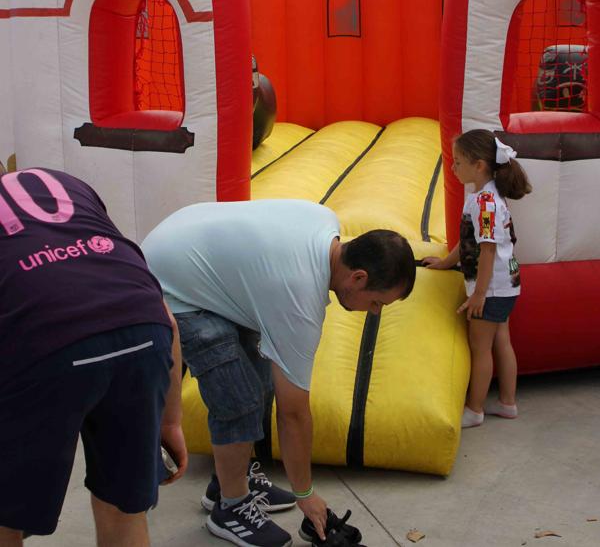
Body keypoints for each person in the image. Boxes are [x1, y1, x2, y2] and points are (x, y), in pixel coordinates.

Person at [142, 198, 416, 547]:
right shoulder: (299, 295)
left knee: (262, 372)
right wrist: (306, 493)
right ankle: (231, 508)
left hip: (188, 251)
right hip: (165, 287)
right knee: (239, 400)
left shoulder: (324, 221)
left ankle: (227, 478)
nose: (374, 313)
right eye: (377, 302)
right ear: (358, 277)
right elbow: (294, 414)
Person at [0, 165, 188, 547]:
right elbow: (168, 320)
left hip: (46, 341)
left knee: (4, 516)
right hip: (143, 329)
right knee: (124, 508)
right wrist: (170, 422)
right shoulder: (63, 183)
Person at [423, 130, 532, 429]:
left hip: (492, 288)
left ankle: (475, 409)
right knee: (502, 342)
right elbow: (469, 240)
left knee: (480, 348)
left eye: (458, 163)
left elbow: (486, 249)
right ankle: (508, 403)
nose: (453, 168)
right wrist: (446, 262)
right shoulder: (485, 197)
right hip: (505, 285)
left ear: (479, 165)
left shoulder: (486, 204)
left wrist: (479, 294)